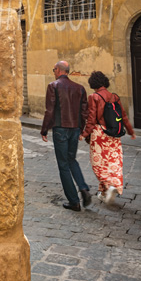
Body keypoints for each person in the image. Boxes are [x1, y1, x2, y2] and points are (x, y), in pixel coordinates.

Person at [40, 61, 92, 211]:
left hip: (60, 129)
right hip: (75, 128)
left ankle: (74, 201)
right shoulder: (80, 88)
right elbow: (84, 112)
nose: (53, 72)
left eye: (54, 69)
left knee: (63, 165)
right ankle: (83, 188)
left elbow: (49, 110)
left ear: (58, 70)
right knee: (71, 159)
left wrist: (44, 130)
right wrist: (81, 129)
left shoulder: (53, 86)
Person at [81, 70, 135, 204]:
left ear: (93, 83)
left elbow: (92, 118)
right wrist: (130, 131)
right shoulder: (114, 97)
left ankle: (110, 185)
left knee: (98, 164)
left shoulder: (94, 97)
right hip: (114, 134)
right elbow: (123, 116)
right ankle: (106, 191)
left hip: (100, 134)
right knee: (114, 162)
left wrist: (85, 133)